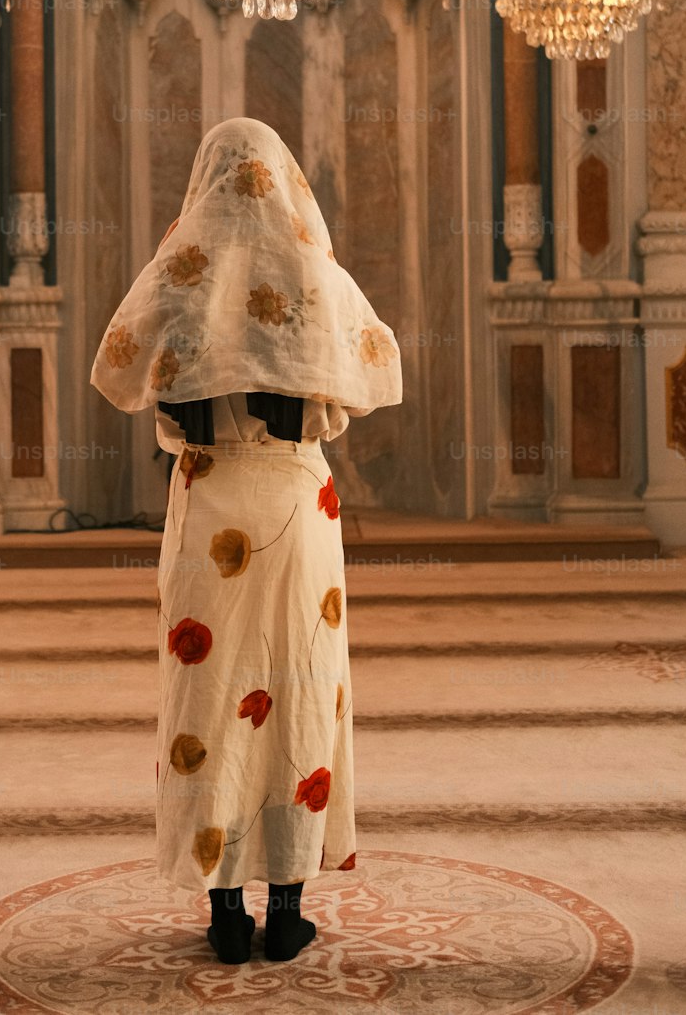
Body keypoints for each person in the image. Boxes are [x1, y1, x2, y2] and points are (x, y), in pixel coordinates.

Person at [91, 117, 402, 964]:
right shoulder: (317, 274)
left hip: (207, 499)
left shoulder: (178, 275)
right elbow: (374, 374)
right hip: (300, 508)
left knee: (210, 696)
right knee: (300, 687)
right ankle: (287, 907)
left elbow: (119, 369)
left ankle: (224, 911)